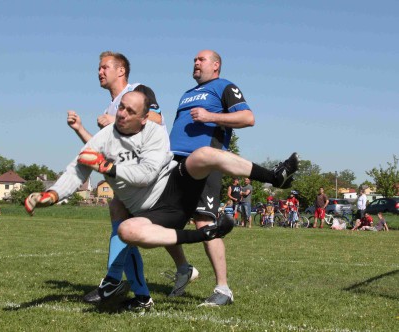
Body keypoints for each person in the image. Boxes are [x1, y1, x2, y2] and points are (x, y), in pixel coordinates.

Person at [25, 91, 300, 310]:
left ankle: (275, 176)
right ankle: (206, 233)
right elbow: (78, 169)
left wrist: (110, 168)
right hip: (154, 212)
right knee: (127, 231)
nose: (122, 114)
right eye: (121, 108)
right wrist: (51, 195)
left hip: (173, 186)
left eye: (130, 111)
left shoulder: (154, 133)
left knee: (203, 154)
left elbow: (146, 175)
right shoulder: (103, 139)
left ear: (144, 118)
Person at [66, 51, 165, 307]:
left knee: (122, 219)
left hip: (146, 175)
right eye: (98, 68)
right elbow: (98, 149)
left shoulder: (137, 91)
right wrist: (80, 129)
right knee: (122, 225)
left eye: (104, 67)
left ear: (121, 70)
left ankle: (113, 282)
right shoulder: (112, 107)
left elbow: (157, 118)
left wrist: (115, 119)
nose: (99, 72)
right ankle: (140, 295)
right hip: (126, 178)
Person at [167, 49, 261, 306]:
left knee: (204, 224)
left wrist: (211, 116)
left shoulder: (224, 87)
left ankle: (223, 289)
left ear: (216, 65)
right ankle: (184, 269)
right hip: (175, 164)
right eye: (194, 60)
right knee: (163, 222)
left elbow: (248, 118)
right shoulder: (186, 94)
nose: (195, 62)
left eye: (201, 59)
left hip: (206, 164)